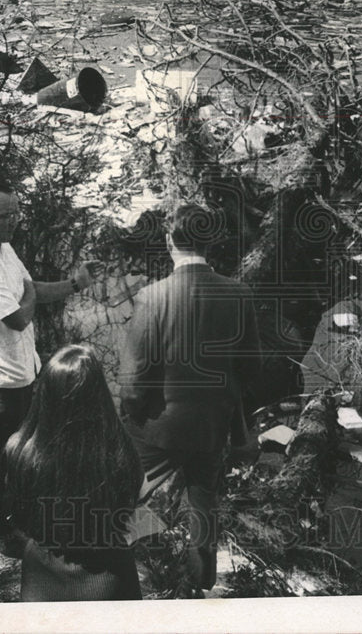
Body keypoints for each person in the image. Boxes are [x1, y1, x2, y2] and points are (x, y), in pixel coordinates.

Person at [119, 203, 262, 595]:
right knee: (204, 501)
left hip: (156, 428)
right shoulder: (239, 294)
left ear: (169, 242)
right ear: (211, 242)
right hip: (212, 425)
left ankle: (123, 575)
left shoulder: (151, 298)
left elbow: (131, 385)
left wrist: (134, 419)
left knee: (125, 495)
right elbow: (251, 369)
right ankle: (199, 584)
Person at [0, 178, 93, 452]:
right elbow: (17, 319)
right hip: (0, 387)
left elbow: (31, 290)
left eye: (17, 213)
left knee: (20, 453)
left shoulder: (0, 244)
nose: (15, 221)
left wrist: (77, 283)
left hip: (22, 376)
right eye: (6, 216)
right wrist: (29, 293)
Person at [4, 345, 144, 601]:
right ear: (99, 394)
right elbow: (132, 510)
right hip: (107, 575)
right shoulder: (121, 449)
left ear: (44, 392)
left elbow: (19, 519)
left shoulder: (20, 449)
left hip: (41, 573)